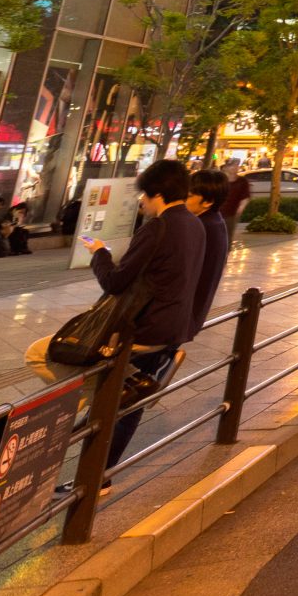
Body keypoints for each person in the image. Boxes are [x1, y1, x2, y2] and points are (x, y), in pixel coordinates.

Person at [85, 159, 205, 466]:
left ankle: (95, 469)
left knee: (50, 360)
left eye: (145, 196)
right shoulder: (195, 224)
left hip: (144, 329)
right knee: (130, 401)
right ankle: (101, 471)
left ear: (157, 194)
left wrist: (99, 253)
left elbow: (115, 281)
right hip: (173, 327)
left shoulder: (158, 228)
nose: (142, 202)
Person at [183, 170, 231, 337]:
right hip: (191, 314)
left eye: (188, 196)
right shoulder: (215, 221)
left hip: (181, 316)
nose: (182, 201)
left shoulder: (201, 227)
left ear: (208, 201)